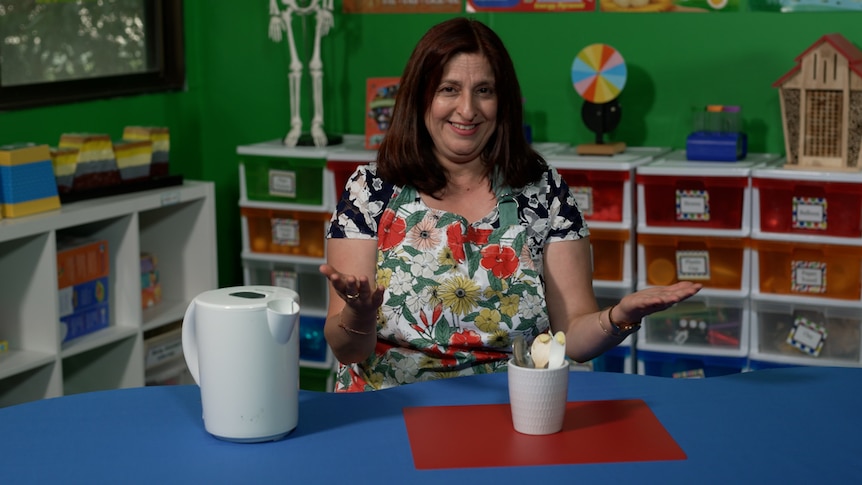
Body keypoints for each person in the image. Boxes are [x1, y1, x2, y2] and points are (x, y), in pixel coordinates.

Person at [320, 17, 700, 392]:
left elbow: (575, 335)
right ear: (420, 97)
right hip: (393, 406)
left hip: (517, 405)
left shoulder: (544, 191)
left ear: (503, 102)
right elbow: (347, 349)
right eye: (449, 89)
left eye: (484, 90)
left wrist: (618, 317)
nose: (467, 110)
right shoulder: (370, 190)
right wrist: (360, 314)